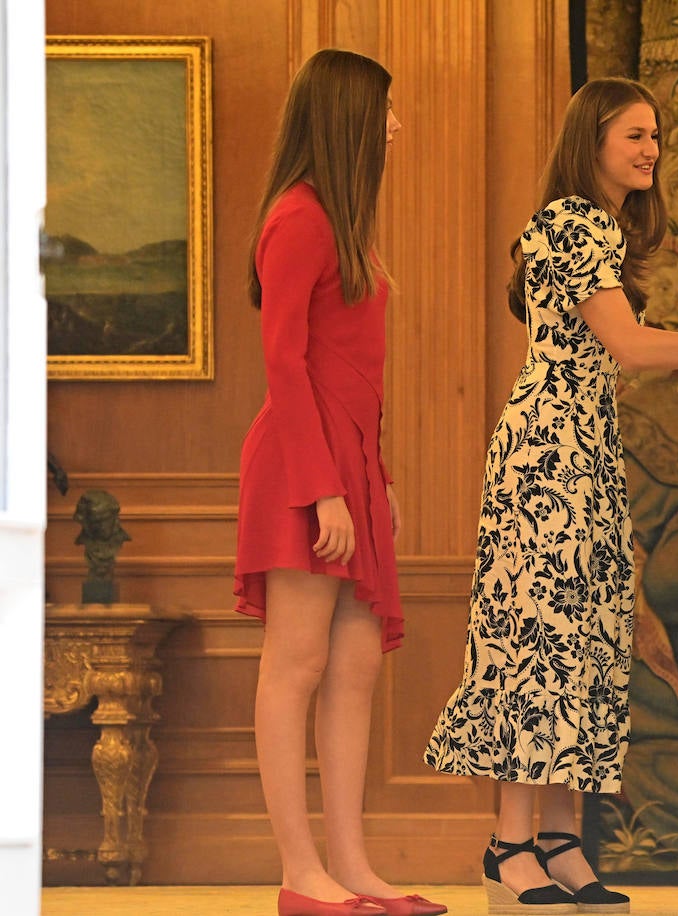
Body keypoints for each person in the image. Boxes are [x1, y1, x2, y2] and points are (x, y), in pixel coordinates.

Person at [423, 77, 678, 915]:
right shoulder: (572, 220)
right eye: (635, 134)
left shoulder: (593, 227)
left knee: (588, 637)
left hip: (582, 447)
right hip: (550, 451)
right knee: (537, 636)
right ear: (591, 138)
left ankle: (561, 842)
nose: (652, 149)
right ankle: (509, 846)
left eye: (656, 136)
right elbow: (628, 345)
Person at [234, 49, 446, 916]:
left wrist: (375, 478)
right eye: (387, 111)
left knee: (355, 665)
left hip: (347, 468)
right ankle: (299, 873)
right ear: (351, 117)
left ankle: (351, 867)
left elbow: (351, 368)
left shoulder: (340, 224)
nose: (396, 126)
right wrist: (325, 487)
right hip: (300, 466)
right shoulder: (299, 219)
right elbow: (284, 363)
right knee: (298, 660)